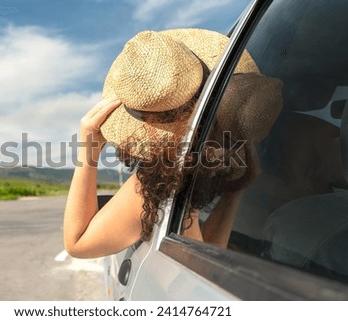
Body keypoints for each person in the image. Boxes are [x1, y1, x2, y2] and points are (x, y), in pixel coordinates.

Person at [63, 29, 282, 258]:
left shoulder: (158, 185)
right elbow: (209, 255)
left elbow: (78, 243)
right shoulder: (205, 169)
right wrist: (237, 189)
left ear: (148, 127)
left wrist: (89, 148)